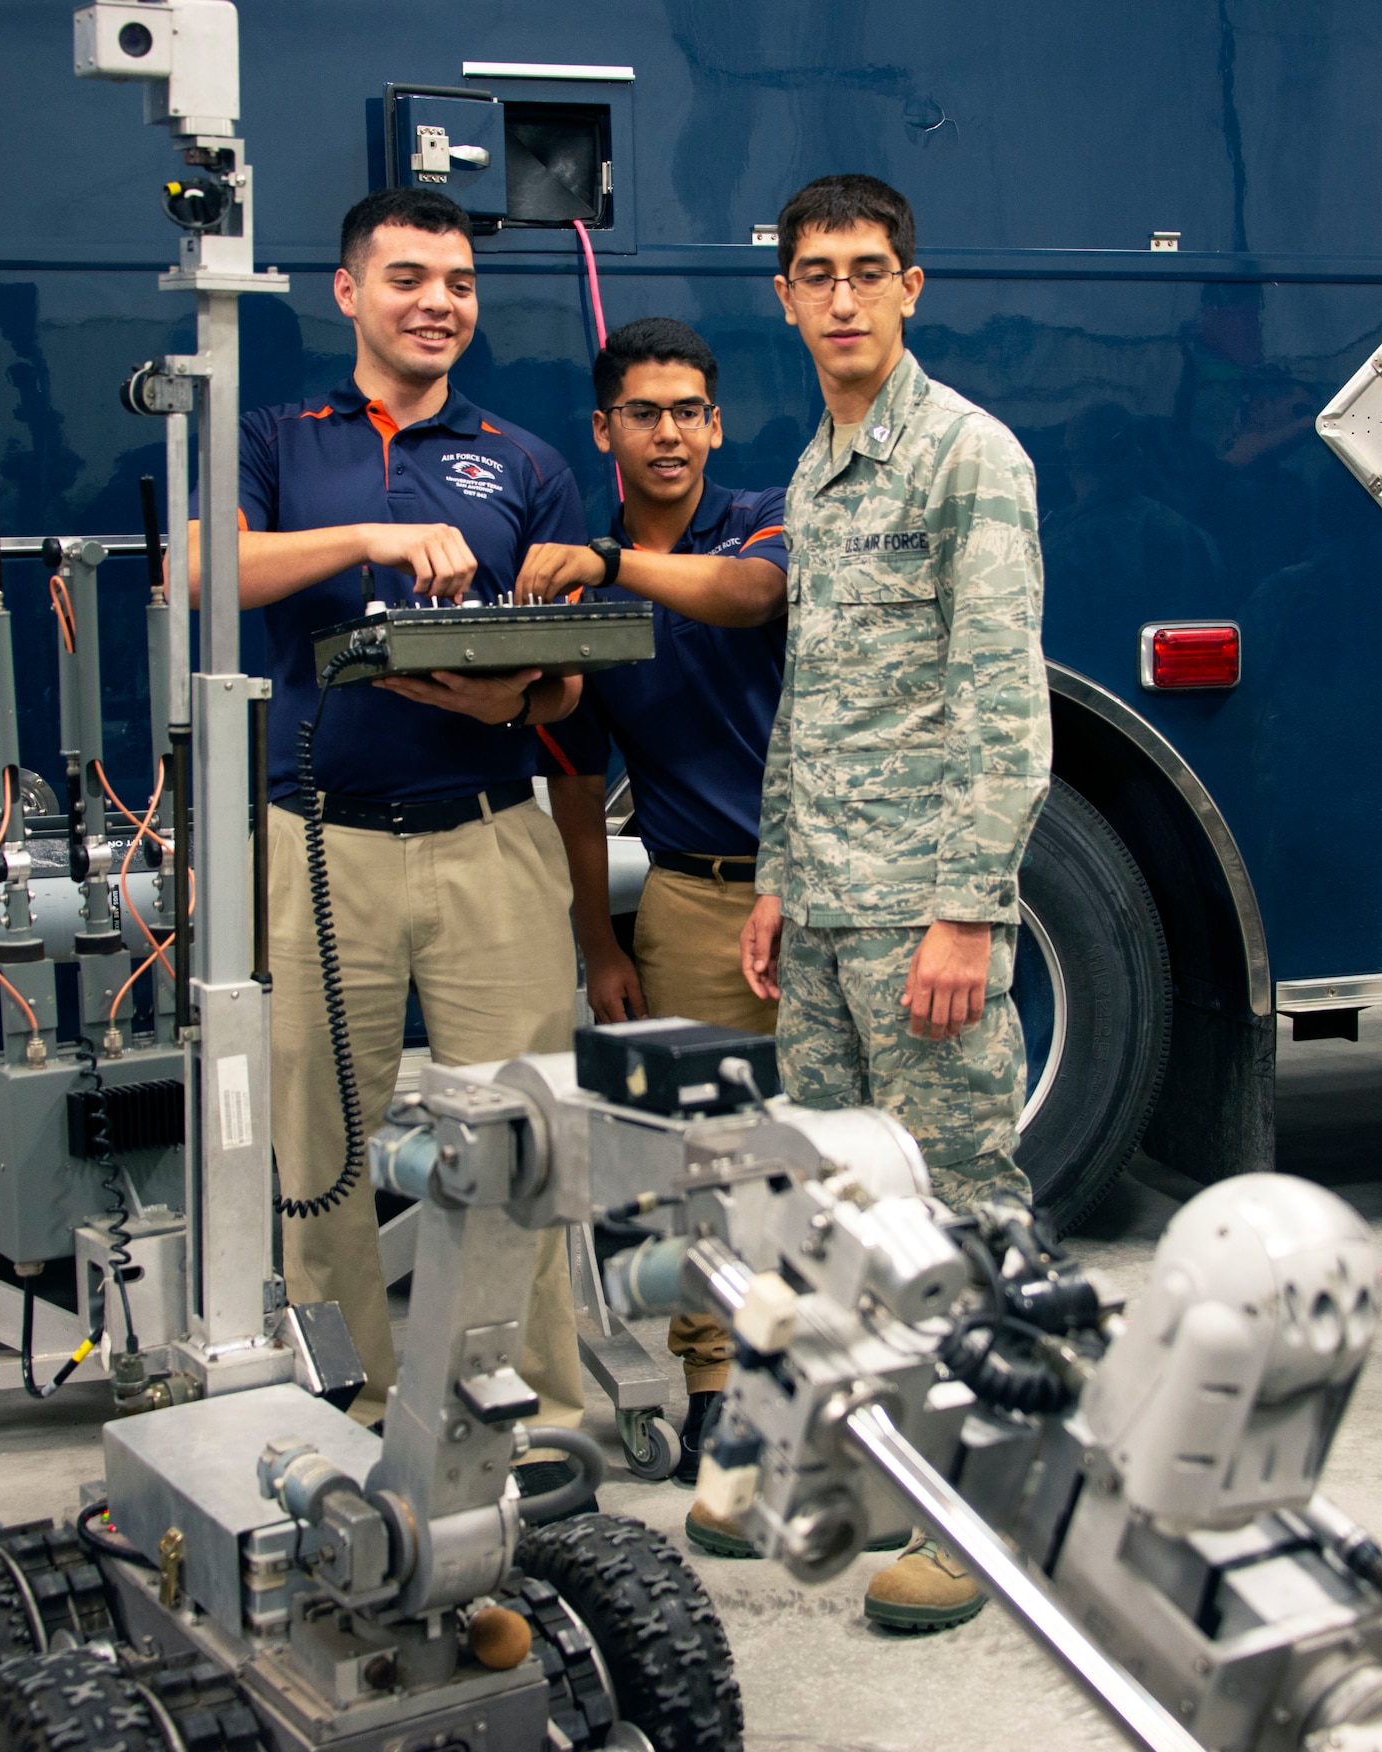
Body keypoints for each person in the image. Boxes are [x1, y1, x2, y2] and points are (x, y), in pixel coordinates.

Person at [185, 187, 588, 1428]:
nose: (438, 303)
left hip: (488, 838)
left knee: (523, 1138)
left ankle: (530, 1421)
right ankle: (342, 1416)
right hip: (317, 846)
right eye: (409, 278)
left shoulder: (524, 462)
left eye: (459, 282)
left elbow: (569, 680)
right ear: (346, 291)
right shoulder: (268, 436)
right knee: (313, 1157)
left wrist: (505, 705)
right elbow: (198, 567)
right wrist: (372, 534)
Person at [744, 173, 1051, 1631]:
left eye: (872, 270)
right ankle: (868, 1473)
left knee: (972, 1219)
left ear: (912, 288)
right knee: (840, 1219)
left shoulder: (967, 458)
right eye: (820, 273)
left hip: (919, 918)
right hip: (821, 921)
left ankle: (997, 1513)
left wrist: (970, 914)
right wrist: (774, 878)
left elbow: (1000, 708)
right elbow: (814, 698)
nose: (847, 297)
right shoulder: (819, 464)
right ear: (788, 297)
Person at [514, 317, 787, 1504]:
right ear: (603, 431)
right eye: (642, 413)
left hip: (824, 892)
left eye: (687, 410)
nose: (667, 432)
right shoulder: (576, 578)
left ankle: (830, 1390)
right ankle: (717, 1390)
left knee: (834, 1157)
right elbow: (575, 784)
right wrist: (598, 942)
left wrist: (607, 566)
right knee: (701, 1165)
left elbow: (746, 596)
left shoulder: (771, 518)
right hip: (691, 900)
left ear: (714, 425)